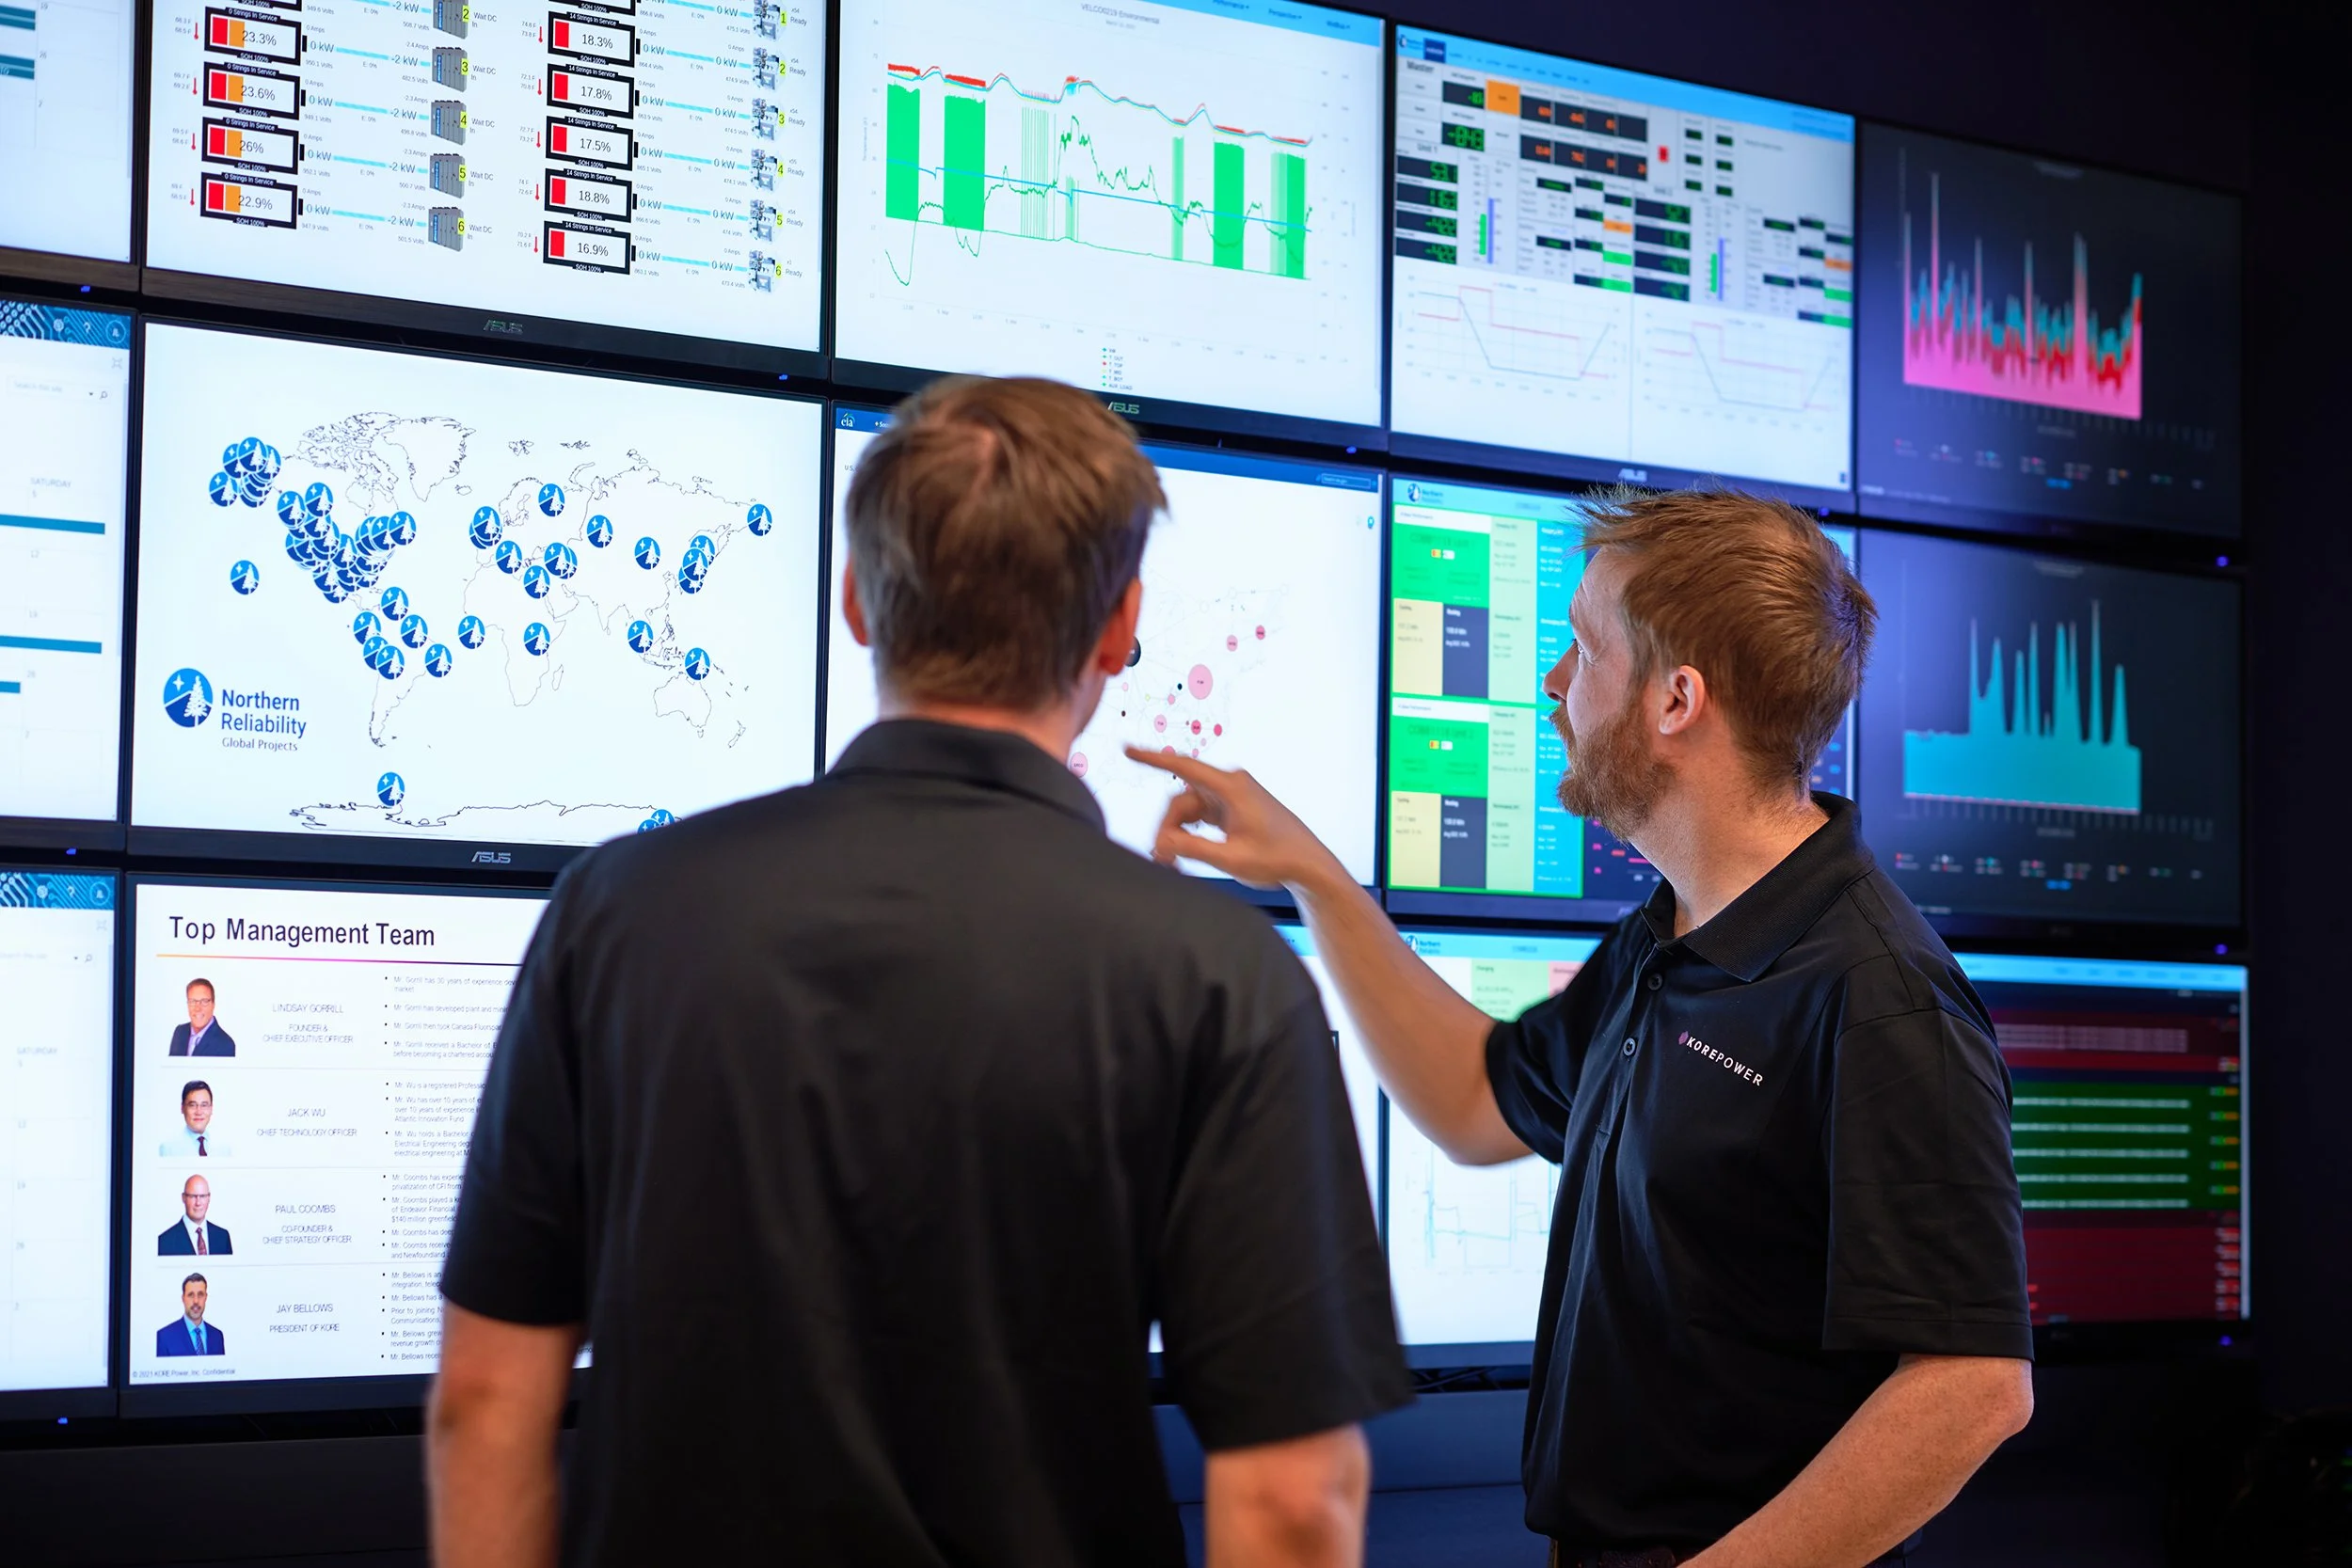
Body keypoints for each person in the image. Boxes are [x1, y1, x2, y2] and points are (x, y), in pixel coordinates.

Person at [430, 376, 1412, 1568]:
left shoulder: (615, 912)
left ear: (857, 600)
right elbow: (1296, 1498)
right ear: (1118, 625)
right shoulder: (1216, 974)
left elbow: (486, 1400)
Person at [1130, 487, 2035, 1568]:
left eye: (1581, 646)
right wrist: (1318, 882)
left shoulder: (1878, 993)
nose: (1553, 680)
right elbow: (1476, 1098)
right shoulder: (1671, 936)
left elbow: (1970, 1385)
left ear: (1674, 700)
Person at [159, 1175, 232, 1256]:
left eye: (202, 1196)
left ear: (209, 1198)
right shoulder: (165, 1241)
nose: (198, 1203)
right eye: (193, 1196)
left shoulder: (223, 1237)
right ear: (183, 1198)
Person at [156, 1273, 226, 1356]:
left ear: (206, 1297)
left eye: (200, 1295)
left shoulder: (217, 1336)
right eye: (191, 1295)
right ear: (183, 1298)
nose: (196, 1301)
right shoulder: (164, 1337)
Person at [167, 977, 237, 1056]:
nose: (197, 1008)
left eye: (204, 1001)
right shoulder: (180, 1032)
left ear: (213, 1004)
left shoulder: (225, 1044)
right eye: (192, 1001)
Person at [159, 1081, 230, 1158]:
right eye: (192, 1105)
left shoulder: (224, 1148)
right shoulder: (168, 1148)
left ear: (211, 1108)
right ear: (182, 1108)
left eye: (204, 1105)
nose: (199, 1112)